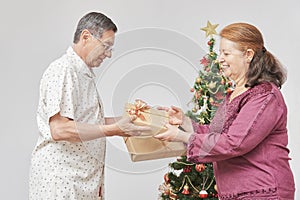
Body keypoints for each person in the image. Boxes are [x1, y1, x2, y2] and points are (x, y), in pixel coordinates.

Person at [155, 22, 295, 199]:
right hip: (235, 192)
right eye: (220, 52)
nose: (220, 59)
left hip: (264, 191)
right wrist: (185, 123)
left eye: (226, 53)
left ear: (248, 55)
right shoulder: (235, 93)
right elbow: (216, 134)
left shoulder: (264, 96)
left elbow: (234, 143)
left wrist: (183, 137)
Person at [29, 12, 149, 200]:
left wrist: (125, 123)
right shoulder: (64, 70)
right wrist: (113, 129)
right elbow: (60, 129)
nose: (108, 54)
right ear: (86, 37)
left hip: (81, 180)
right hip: (63, 181)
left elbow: (90, 122)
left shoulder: (82, 74)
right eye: (106, 46)